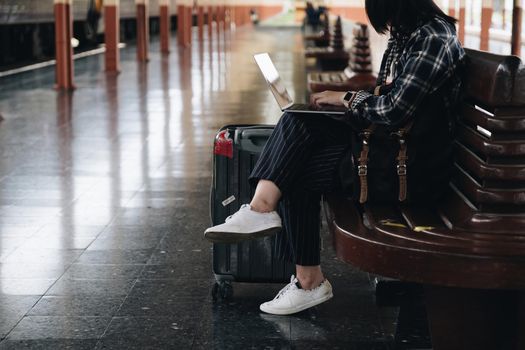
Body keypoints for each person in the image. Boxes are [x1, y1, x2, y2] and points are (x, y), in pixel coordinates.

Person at [205, 0, 465, 316]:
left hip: (412, 167)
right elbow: (388, 97)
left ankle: (305, 275)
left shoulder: (432, 37)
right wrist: (342, 104)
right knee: (298, 121)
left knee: (295, 164)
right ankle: (271, 223)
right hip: (393, 149)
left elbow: (394, 110)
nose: (384, 22)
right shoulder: (410, 33)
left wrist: (347, 98)